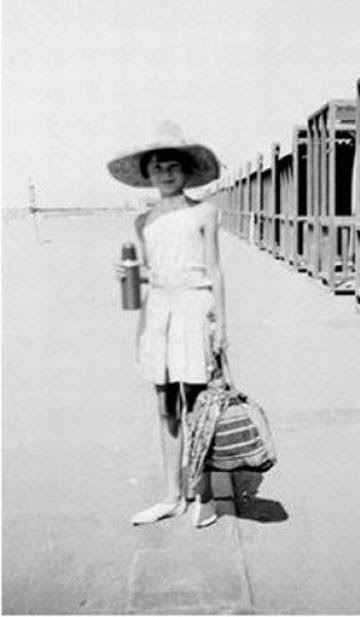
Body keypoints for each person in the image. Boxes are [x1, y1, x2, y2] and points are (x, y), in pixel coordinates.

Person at [108, 123, 227, 528]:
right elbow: (154, 271)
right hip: (157, 313)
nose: (165, 173)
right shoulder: (143, 222)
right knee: (166, 407)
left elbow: (213, 268)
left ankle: (204, 494)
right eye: (157, 166)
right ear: (147, 174)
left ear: (187, 170)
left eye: (172, 165)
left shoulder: (204, 211)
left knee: (200, 406)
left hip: (196, 309)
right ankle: (172, 495)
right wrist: (128, 276)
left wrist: (222, 323)